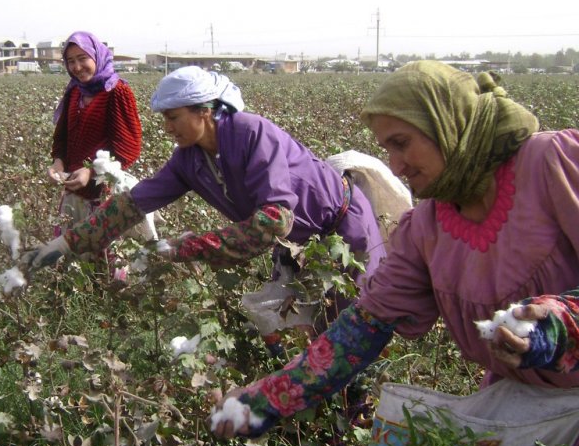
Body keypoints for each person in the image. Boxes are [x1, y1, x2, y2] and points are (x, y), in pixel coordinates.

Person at [210, 61, 579, 446]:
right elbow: (359, 331)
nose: (395, 165)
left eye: (402, 143)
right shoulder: (427, 228)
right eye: (386, 148)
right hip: (517, 407)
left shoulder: (550, 161)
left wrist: (562, 325)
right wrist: (263, 400)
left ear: (446, 124)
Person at [23, 66, 388, 353]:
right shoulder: (189, 160)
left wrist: (186, 247)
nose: (167, 128)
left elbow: (275, 220)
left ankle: (351, 423)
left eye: (173, 117)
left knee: (353, 332)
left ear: (205, 111)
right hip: (298, 244)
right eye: (163, 119)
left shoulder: (253, 133)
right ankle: (301, 414)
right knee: (288, 327)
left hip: (344, 230)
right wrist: (62, 246)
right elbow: (132, 205)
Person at [47, 31, 142, 235]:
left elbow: (129, 147)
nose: (77, 67)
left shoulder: (117, 92)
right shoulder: (75, 91)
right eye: (71, 61)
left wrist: (91, 172)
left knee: (105, 260)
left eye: (82, 59)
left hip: (106, 194)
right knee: (71, 255)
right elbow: (61, 138)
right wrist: (58, 162)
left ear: (97, 56)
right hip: (74, 193)